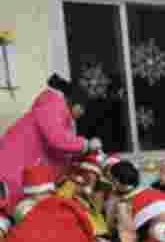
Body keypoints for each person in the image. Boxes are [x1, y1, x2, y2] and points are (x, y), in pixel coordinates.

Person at [0, 75, 101, 212]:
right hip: (12, 167)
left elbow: (59, 152)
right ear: (74, 102)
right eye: (83, 108)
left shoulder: (61, 116)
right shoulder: (52, 106)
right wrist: (86, 144)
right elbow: (57, 139)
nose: (82, 113)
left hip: (20, 170)